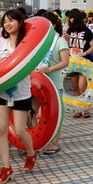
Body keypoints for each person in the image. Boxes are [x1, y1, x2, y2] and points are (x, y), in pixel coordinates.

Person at [0, 9, 37, 182]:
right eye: (5, 22)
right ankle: (6, 167)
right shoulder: (0, 42)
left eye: (11, 21)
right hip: (2, 92)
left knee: (19, 130)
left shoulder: (27, 44)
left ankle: (31, 153)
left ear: (20, 22)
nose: (8, 24)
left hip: (21, 92)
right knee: (1, 130)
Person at [37, 12, 70, 155]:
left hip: (54, 83)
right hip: (37, 83)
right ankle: (37, 141)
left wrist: (49, 69)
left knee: (54, 114)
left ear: (54, 25)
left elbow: (65, 62)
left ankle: (54, 143)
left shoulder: (60, 41)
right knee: (35, 113)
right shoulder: (38, 41)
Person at [63, 8, 93, 118]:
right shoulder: (69, 31)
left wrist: (84, 53)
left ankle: (86, 109)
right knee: (75, 87)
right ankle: (78, 109)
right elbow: (67, 47)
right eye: (70, 18)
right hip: (72, 62)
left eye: (73, 17)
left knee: (82, 87)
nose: (71, 20)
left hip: (84, 62)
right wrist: (66, 40)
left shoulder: (86, 31)